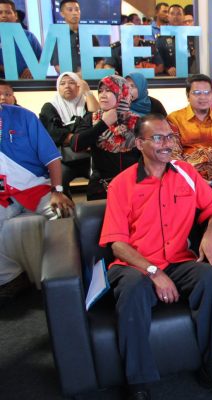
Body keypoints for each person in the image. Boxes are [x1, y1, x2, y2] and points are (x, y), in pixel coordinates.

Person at [99, 113, 212, 400]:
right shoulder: (121, 184)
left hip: (179, 259)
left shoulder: (186, 173)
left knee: (210, 278)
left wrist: (210, 235)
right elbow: (117, 244)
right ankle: (138, 383)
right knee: (133, 289)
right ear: (139, 144)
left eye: (170, 137)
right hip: (136, 264)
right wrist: (154, 272)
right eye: (158, 138)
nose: (167, 144)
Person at [0, 104, 74, 307]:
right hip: (4, 195)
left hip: (36, 188)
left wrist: (57, 190)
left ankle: (68, 279)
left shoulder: (24, 117)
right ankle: (10, 278)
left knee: (63, 215)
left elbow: (52, 157)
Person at [71, 75, 141, 200]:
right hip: (102, 187)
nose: (102, 95)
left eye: (108, 90)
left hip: (134, 186)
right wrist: (103, 124)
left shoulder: (138, 122)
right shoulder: (92, 118)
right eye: (100, 91)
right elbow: (76, 145)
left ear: (122, 93)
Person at [39, 72, 98, 192]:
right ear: (58, 87)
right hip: (64, 160)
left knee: (101, 176)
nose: (67, 86)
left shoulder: (86, 103)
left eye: (72, 83)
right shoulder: (50, 107)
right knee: (58, 182)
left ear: (79, 86)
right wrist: (80, 140)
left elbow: (97, 118)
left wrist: (87, 92)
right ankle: (65, 203)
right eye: (62, 83)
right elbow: (52, 132)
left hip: (89, 158)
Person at [50, 0, 102, 73]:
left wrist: (95, 74)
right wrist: (74, 77)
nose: (74, 13)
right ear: (62, 14)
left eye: (77, 9)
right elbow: (57, 65)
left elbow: (100, 60)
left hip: (90, 78)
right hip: (69, 78)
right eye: (70, 10)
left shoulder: (90, 35)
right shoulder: (57, 37)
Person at [0, 0, 42, 79]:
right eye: (0, 13)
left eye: (8, 12)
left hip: (27, 82)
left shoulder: (29, 36)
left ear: (15, 15)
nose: (4, 16)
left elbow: (41, 58)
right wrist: (4, 68)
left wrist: (33, 69)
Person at [154, 4, 196, 76]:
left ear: (184, 16)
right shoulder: (161, 38)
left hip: (190, 76)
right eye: (172, 14)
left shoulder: (193, 37)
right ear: (168, 16)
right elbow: (158, 61)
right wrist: (167, 69)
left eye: (179, 14)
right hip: (170, 79)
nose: (175, 16)